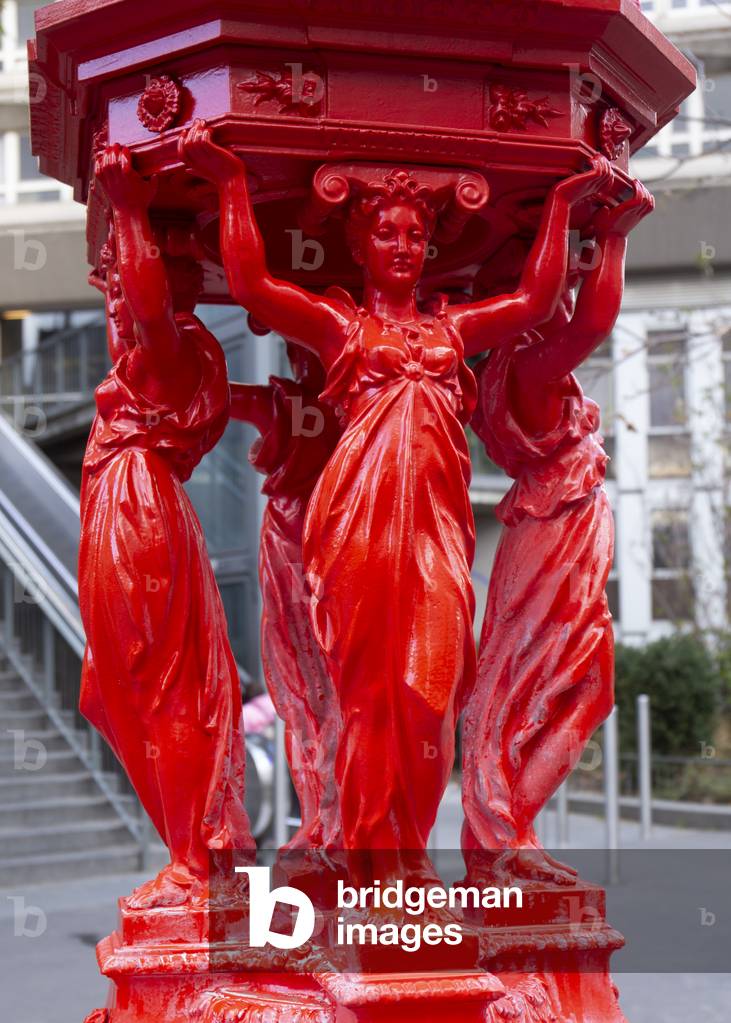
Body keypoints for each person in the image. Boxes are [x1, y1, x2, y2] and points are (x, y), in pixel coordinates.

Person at [180, 119, 611, 869]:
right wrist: (229, 183)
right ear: (361, 247)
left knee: (429, 691)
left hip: (435, 540)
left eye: (415, 233)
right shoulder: (341, 328)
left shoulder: (452, 331)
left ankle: (404, 855)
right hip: (360, 535)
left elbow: (538, 299)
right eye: (386, 232)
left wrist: (566, 208)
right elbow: (251, 284)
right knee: (368, 696)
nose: (403, 245)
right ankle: (376, 867)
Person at [461, 180, 654, 884]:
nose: (571, 284)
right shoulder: (526, 367)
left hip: (562, 534)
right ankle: (502, 832)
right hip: (550, 537)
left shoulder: (532, 366)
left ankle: (507, 829)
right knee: (537, 682)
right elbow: (591, 325)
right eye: (559, 273)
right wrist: (611, 237)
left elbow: (575, 321)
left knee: (583, 687)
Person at [79, 144, 254, 910]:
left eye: (128, 280)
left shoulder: (177, 352)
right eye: (113, 288)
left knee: (160, 690)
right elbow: (134, 312)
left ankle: (198, 856)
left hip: (139, 512)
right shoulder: (145, 361)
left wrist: (127, 209)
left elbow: (149, 312)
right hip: (120, 508)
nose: (119, 301)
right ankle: (194, 848)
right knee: (112, 689)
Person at [229, 341, 342, 849]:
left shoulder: (293, 403)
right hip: (318, 536)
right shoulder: (353, 399)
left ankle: (330, 818)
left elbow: (212, 393)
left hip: (320, 537)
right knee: (308, 694)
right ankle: (324, 818)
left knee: (315, 693)